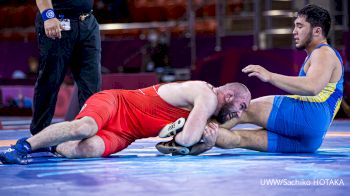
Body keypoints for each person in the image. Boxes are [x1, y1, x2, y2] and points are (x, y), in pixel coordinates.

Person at [187, 4, 343, 154]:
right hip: (311, 140)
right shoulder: (319, 55)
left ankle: (186, 132)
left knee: (242, 109)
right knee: (240, 139)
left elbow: (312, 87)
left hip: (309, 115)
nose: (294, 31)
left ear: (317, 31)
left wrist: (270, 76)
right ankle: (199, 142)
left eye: (300, 26)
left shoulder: (323, 53)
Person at [0, 81, 251, 164]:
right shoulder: (206, 96)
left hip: (127, 133)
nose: (239, 115)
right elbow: (184, 140)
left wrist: (204, 146)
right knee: (85, 127)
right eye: (241, 107)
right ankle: (23, 147)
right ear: (227, 95)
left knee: (88, 150)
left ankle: (51, 146)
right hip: (117, 103)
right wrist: (196, 141)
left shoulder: (205, 112)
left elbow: (171, 149)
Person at [30, 0, 101, 135]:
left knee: (92, 83)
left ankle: (90, 131)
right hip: (57, 22)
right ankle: (39, 133)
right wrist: (49, 16)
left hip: (87, 22)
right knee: (50, 80)